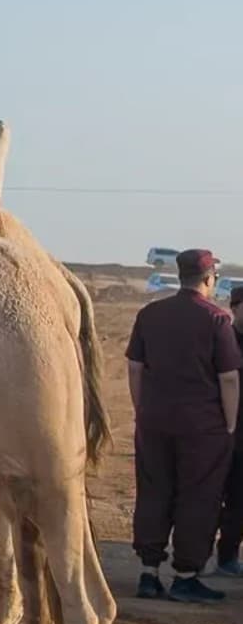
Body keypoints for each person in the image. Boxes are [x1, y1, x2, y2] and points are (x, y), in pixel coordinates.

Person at [127, 248, 241, 603]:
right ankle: (186, 575)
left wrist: (141, 409)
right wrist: (231, 424)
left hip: (154, 421)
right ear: (209, 279)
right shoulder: (216, 320)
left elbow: (134, 368)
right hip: (202, 427)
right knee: (198, 496)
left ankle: (149, 572)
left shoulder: (150, 314)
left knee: (154, 490)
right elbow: (228, 379)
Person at [214, 283, 243, 577]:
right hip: (220, 432)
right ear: (234, 309)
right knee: (209, 498)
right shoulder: (224, 340)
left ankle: (228, 555)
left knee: (238, 501)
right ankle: (193, 561)